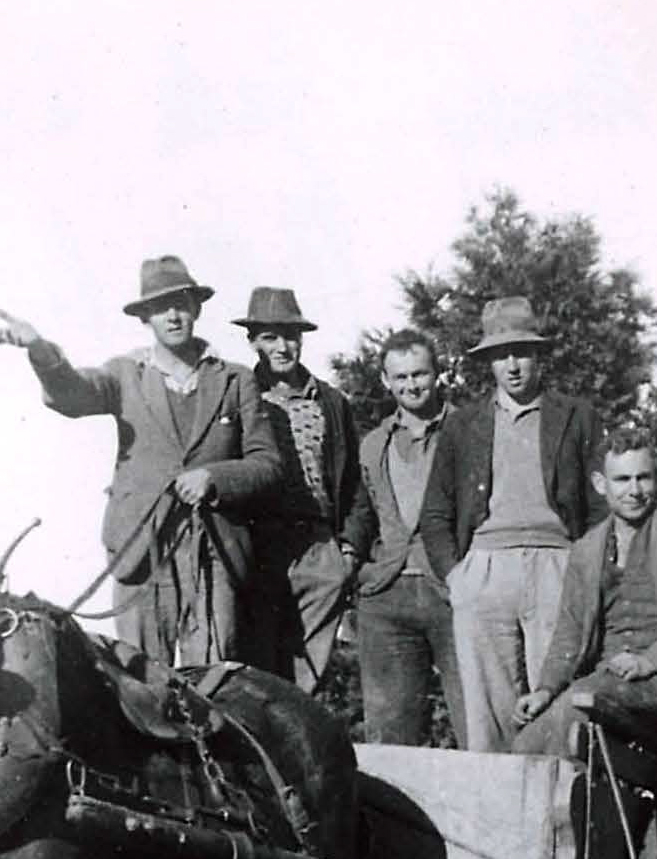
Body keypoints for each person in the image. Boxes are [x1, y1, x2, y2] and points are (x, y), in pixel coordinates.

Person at [0, 255, 280, 664]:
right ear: (145, 317)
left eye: (181, 304)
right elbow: (72, 394)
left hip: (214, 552)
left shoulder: (235, 379)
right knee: (141, 677)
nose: (173, 316)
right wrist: (40, 350)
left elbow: (268, 464)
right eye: (161, 308)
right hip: (141, 553)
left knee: (215, 678)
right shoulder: (125, 374)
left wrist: (213, 478)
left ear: (196, 309)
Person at [417, 296, 602, 751]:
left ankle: (558, 795)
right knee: (488, 716)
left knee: (558, 701)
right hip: (485, 569)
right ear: (489, 363)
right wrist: (457, 577)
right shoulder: (464, 425)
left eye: (521, 353)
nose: (513, 366)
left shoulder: (576, 416)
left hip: (557, 565)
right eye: (501, 356)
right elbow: (435, 512)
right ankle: (494, 797)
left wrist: (587, 569)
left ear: (538, 356)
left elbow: (600, 506)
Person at [511, 424, 657, 756]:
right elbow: (569, 634)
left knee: (576, 708)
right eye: (623, 479)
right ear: (601, 484)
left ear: (655, 479)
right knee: (526, 742)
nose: (635, 490)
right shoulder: (585, 550)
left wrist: (650, 662)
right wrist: (545, 690)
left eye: (644, 478)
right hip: (604, 679)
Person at [236, 287, 375, 695]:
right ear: (253, 342)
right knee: (257, 668)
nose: (282, 347)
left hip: (318, 545)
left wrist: (348, 552)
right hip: (260, 547)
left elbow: (353, 482)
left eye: (291, 336)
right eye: (270, 337)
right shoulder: (240, 393)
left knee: (308, 677)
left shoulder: (330, 400)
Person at [355, 330, 465, 746]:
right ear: (386, 381)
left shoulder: (469, 430)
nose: (411, 385)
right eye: (400, 377)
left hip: (453, 590)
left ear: (437, 374)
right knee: (390, 735)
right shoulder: (373, 444)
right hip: (388, 593)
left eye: (420, 374)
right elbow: (361, 512)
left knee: (478, 721)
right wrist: (359, 569)